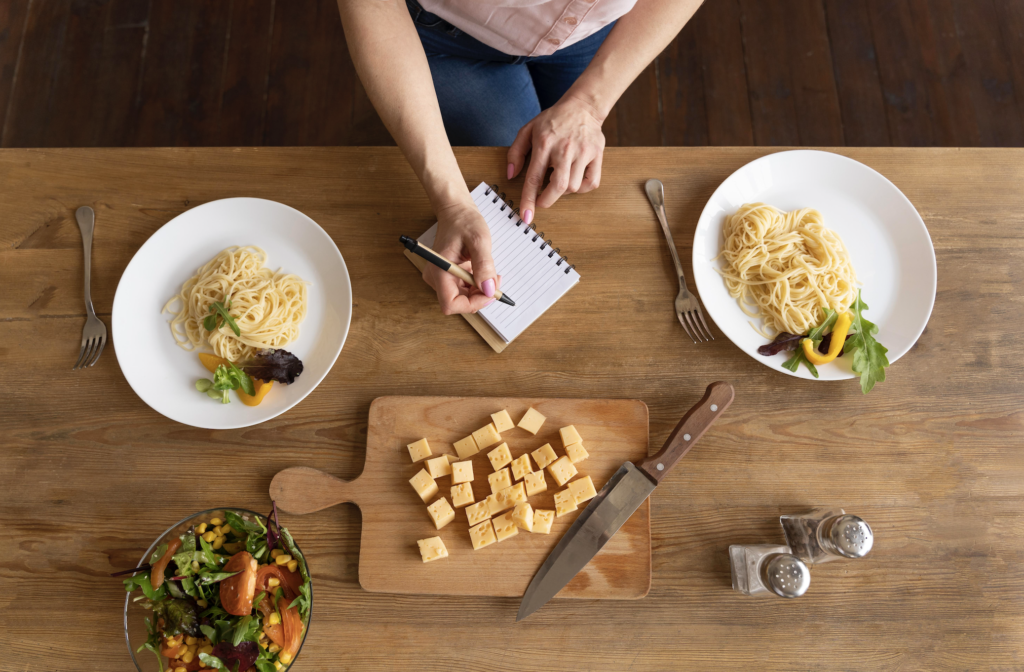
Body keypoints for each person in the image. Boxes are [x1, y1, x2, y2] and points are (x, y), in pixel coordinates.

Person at [337, 0, 703, 314]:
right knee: (513, 175)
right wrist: (452, 205)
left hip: (588, 33)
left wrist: (589, 105)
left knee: (551, 172)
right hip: (444, 35)